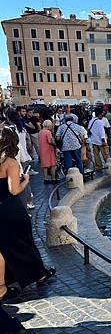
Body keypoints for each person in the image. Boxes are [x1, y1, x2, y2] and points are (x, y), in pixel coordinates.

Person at [0, 127, 55, 302]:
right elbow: (14, 190)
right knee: (25, 242)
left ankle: (6, 283)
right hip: (11, 209)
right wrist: (26, 181)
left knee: (5, 246)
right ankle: (39, 274)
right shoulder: (11, 163)